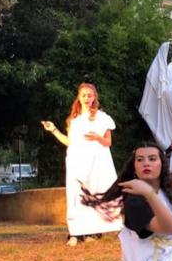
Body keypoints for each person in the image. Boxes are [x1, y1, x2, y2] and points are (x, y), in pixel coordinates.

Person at [42, 82, 122, 246]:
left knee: (95, 193)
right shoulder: (74, 120)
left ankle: (93, 231)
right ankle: (75, 233)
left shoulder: (102, 117)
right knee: (76, 195)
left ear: (94, 98)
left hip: (96, 162)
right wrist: (54, 130)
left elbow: (108, 142)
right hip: (77, 161)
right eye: (83, 95)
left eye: (90, 95)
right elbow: (69, 142)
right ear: (79, 97)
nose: (87, 98)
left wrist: (97, 138)